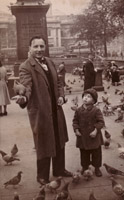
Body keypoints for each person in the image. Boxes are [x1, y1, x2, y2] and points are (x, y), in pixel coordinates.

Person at [15, 36, 72, 185]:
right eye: (36, 47)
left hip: (56, 109)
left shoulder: (50, 62)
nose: (39, 50)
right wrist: (23, 98)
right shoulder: (26, 66)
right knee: (44, 143)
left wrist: (61, 96)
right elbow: (26, 86)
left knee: (59, 140)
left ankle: (59, 169)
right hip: (41, 112)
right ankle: (42, 176)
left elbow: (59, 82)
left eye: (42, 46)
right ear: (30, 48)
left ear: (45, 47)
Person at [72, 88, 105, 177]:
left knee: (96, 153)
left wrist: (95, 130)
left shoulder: (96, 110)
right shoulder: (78, 110)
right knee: (84, 153)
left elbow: (101, 122)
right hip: (83, 137)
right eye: (84, 96)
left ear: (93, 100)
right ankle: (85, 166)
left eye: (88, 97)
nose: (85, 98)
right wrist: (76, 130)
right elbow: (75, 121)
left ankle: (97, 168)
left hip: (94, 137)